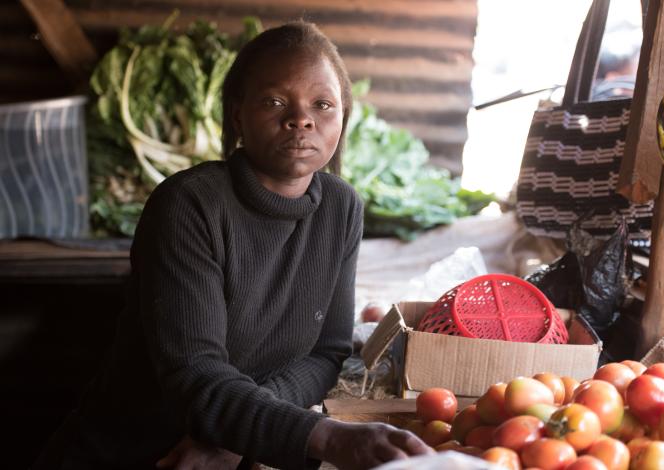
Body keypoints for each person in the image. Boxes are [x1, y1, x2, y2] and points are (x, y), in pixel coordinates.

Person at [33, 21, 433, 470]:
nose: (301, 119)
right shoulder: (188, 205)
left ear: (343, 118)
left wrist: (233, 438)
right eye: (275, 101)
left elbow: (327, 352)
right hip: (134, 451)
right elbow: (195, 372)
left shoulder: (341, 208)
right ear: (237, 113)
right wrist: (322, 436)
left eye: (322, 104)